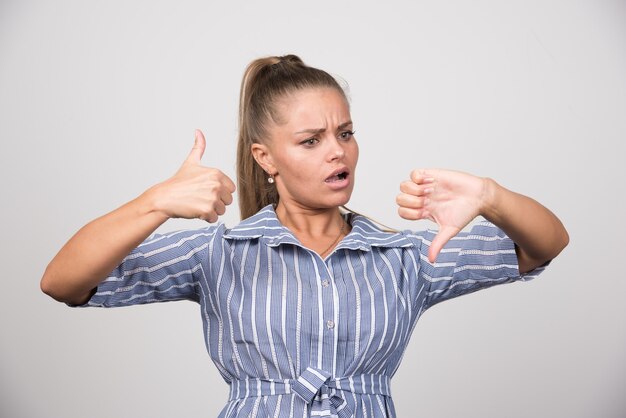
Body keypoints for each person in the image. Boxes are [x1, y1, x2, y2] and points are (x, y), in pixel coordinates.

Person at [41, 54, 569, 418]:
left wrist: (489, 195)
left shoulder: (406, 257)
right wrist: (153, 201)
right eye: (311, 140)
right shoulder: (218, 253)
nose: (336, 152)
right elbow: (62, 282)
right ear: (265, 157)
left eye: (345, 133)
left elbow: (546, 244)